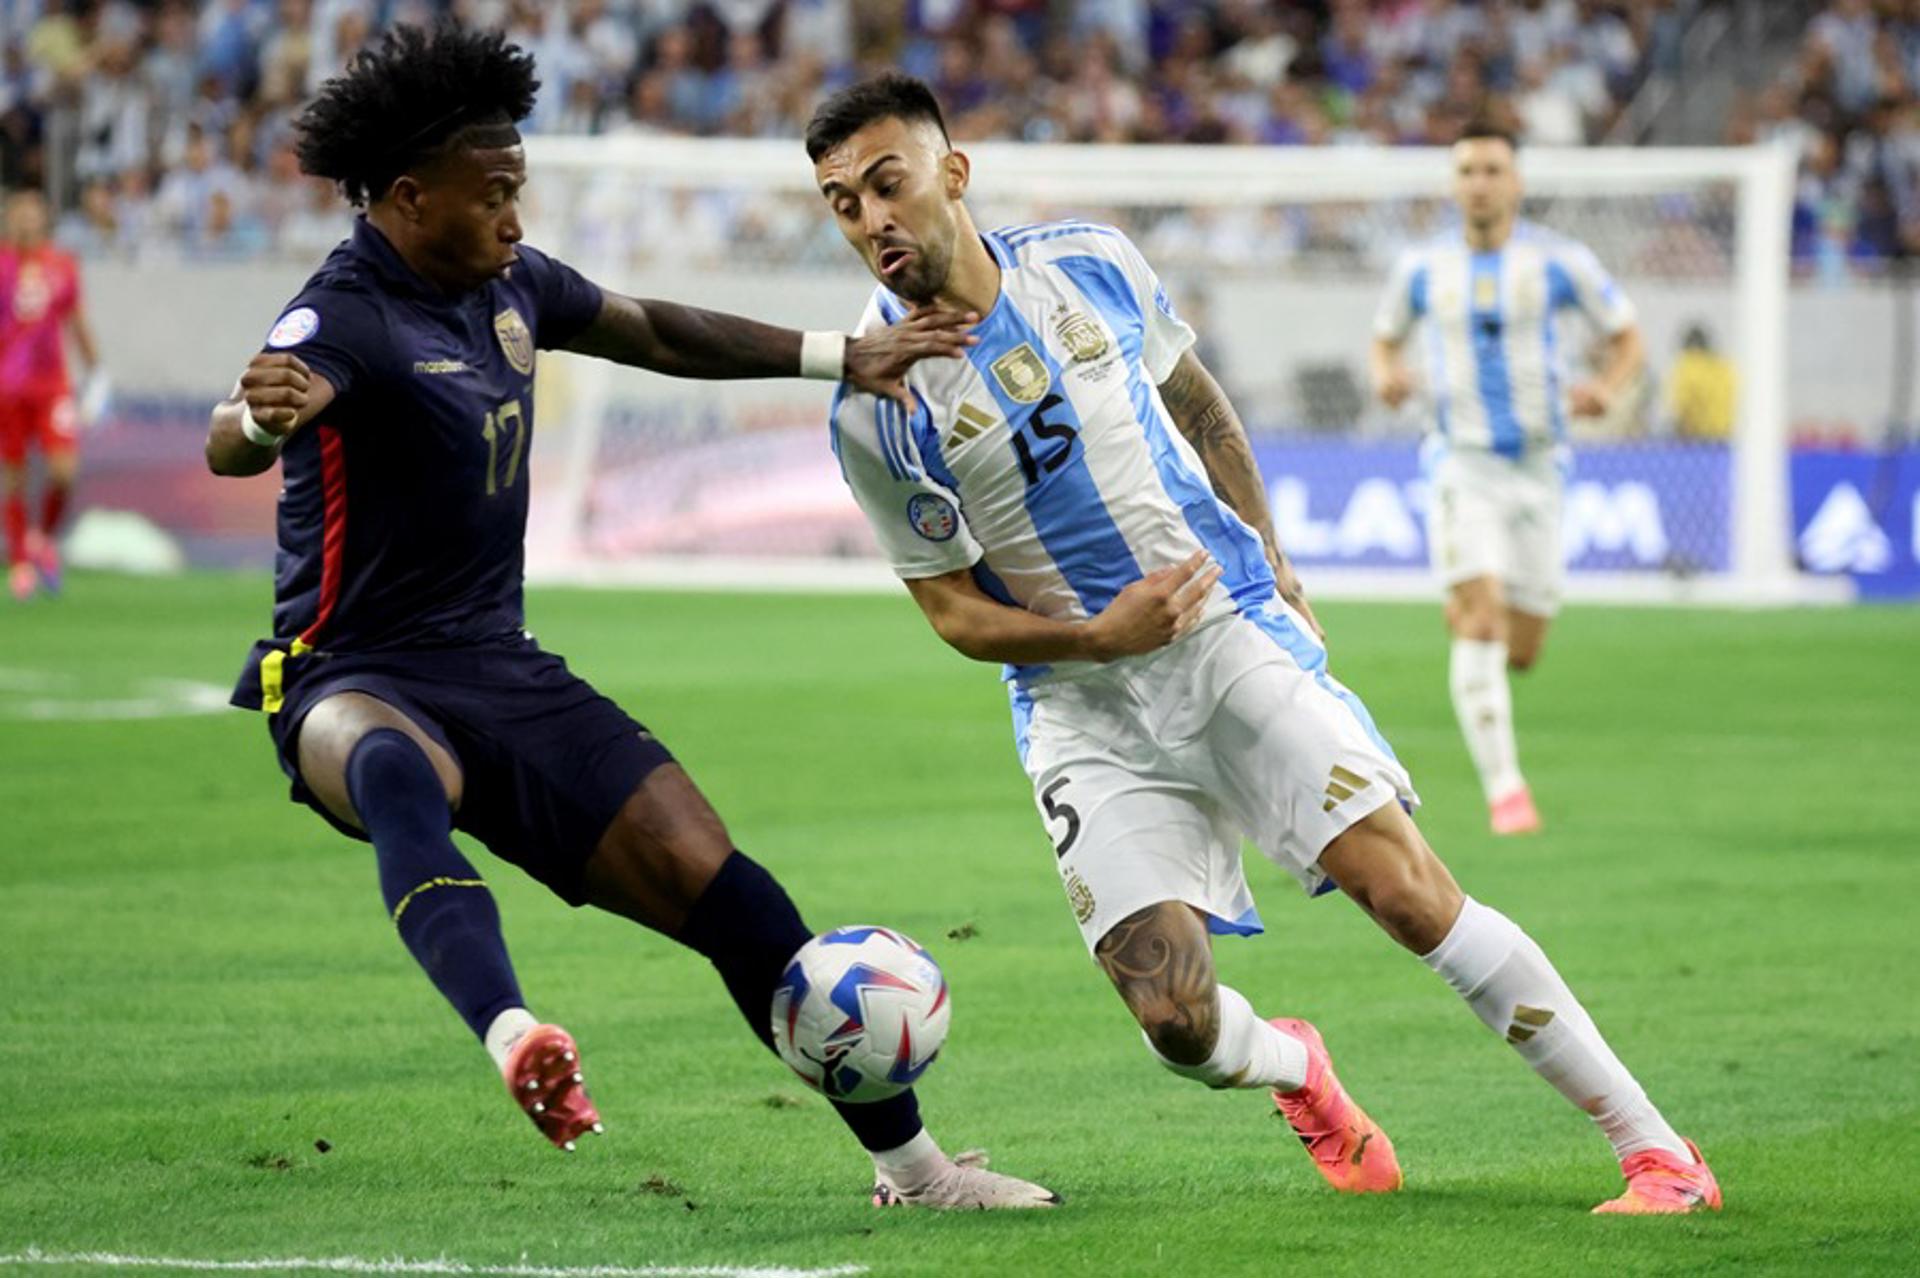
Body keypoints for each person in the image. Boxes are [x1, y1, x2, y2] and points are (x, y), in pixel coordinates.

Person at [807, 73, 1718, 1215]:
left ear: (952, 173)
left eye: (887, 184)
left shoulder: (1087, 262)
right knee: (1174, 1022)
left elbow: (1199, 403)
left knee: (1406, 894)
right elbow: (950, 611)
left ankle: (1659, 1153)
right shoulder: (872, 404)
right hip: (1080, 704)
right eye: (843, 204)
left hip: (1223, 630)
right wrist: (1093, 636)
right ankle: (1302, 1070)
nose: (872, 220)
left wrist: (1275, 562)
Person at [209, 26, 1054, 1212]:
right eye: (493, 193)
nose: (515, 214)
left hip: (503, 669)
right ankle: (513, 1034)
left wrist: (840, 356)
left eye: (520, 189)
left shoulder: (512, 285)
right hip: (348, 671)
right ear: (408, 198)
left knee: (731, 893)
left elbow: (654, 331)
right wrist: (258, 425)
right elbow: (235, 433)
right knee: (396, 771)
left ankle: (916, 1173)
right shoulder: (342, 316)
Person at [1371, 122, 1646, 835]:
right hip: (1460, 460)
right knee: (1485, 619)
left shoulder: (1560, 262)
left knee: (1520, 650)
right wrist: (1386, 378)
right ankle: (1507, 794)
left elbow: (1628, 337)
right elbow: (1383, 338)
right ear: (1454, 184)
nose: (1480, 183)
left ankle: (1470, 603)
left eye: (1493, 169)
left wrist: (1609, 390)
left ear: (1516, 181)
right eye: (1467, 170)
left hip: (1540, 468)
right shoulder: (1423, 267)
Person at [0, 189, 100, 601]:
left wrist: (98, 376)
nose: (26, 221)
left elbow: (77, 322)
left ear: (44, 219)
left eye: (33, 213)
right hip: (7, 385)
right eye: (19, 214)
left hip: (52, 384)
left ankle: (43, 537)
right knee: (15, 477)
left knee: (63, 471)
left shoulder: (62, 265)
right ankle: (22, 560)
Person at [1665, 324, 1737, 440]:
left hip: (1698, 440)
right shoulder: (1726, 367)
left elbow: (1680, 408)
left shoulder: (1688, 365)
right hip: (1728, 437)